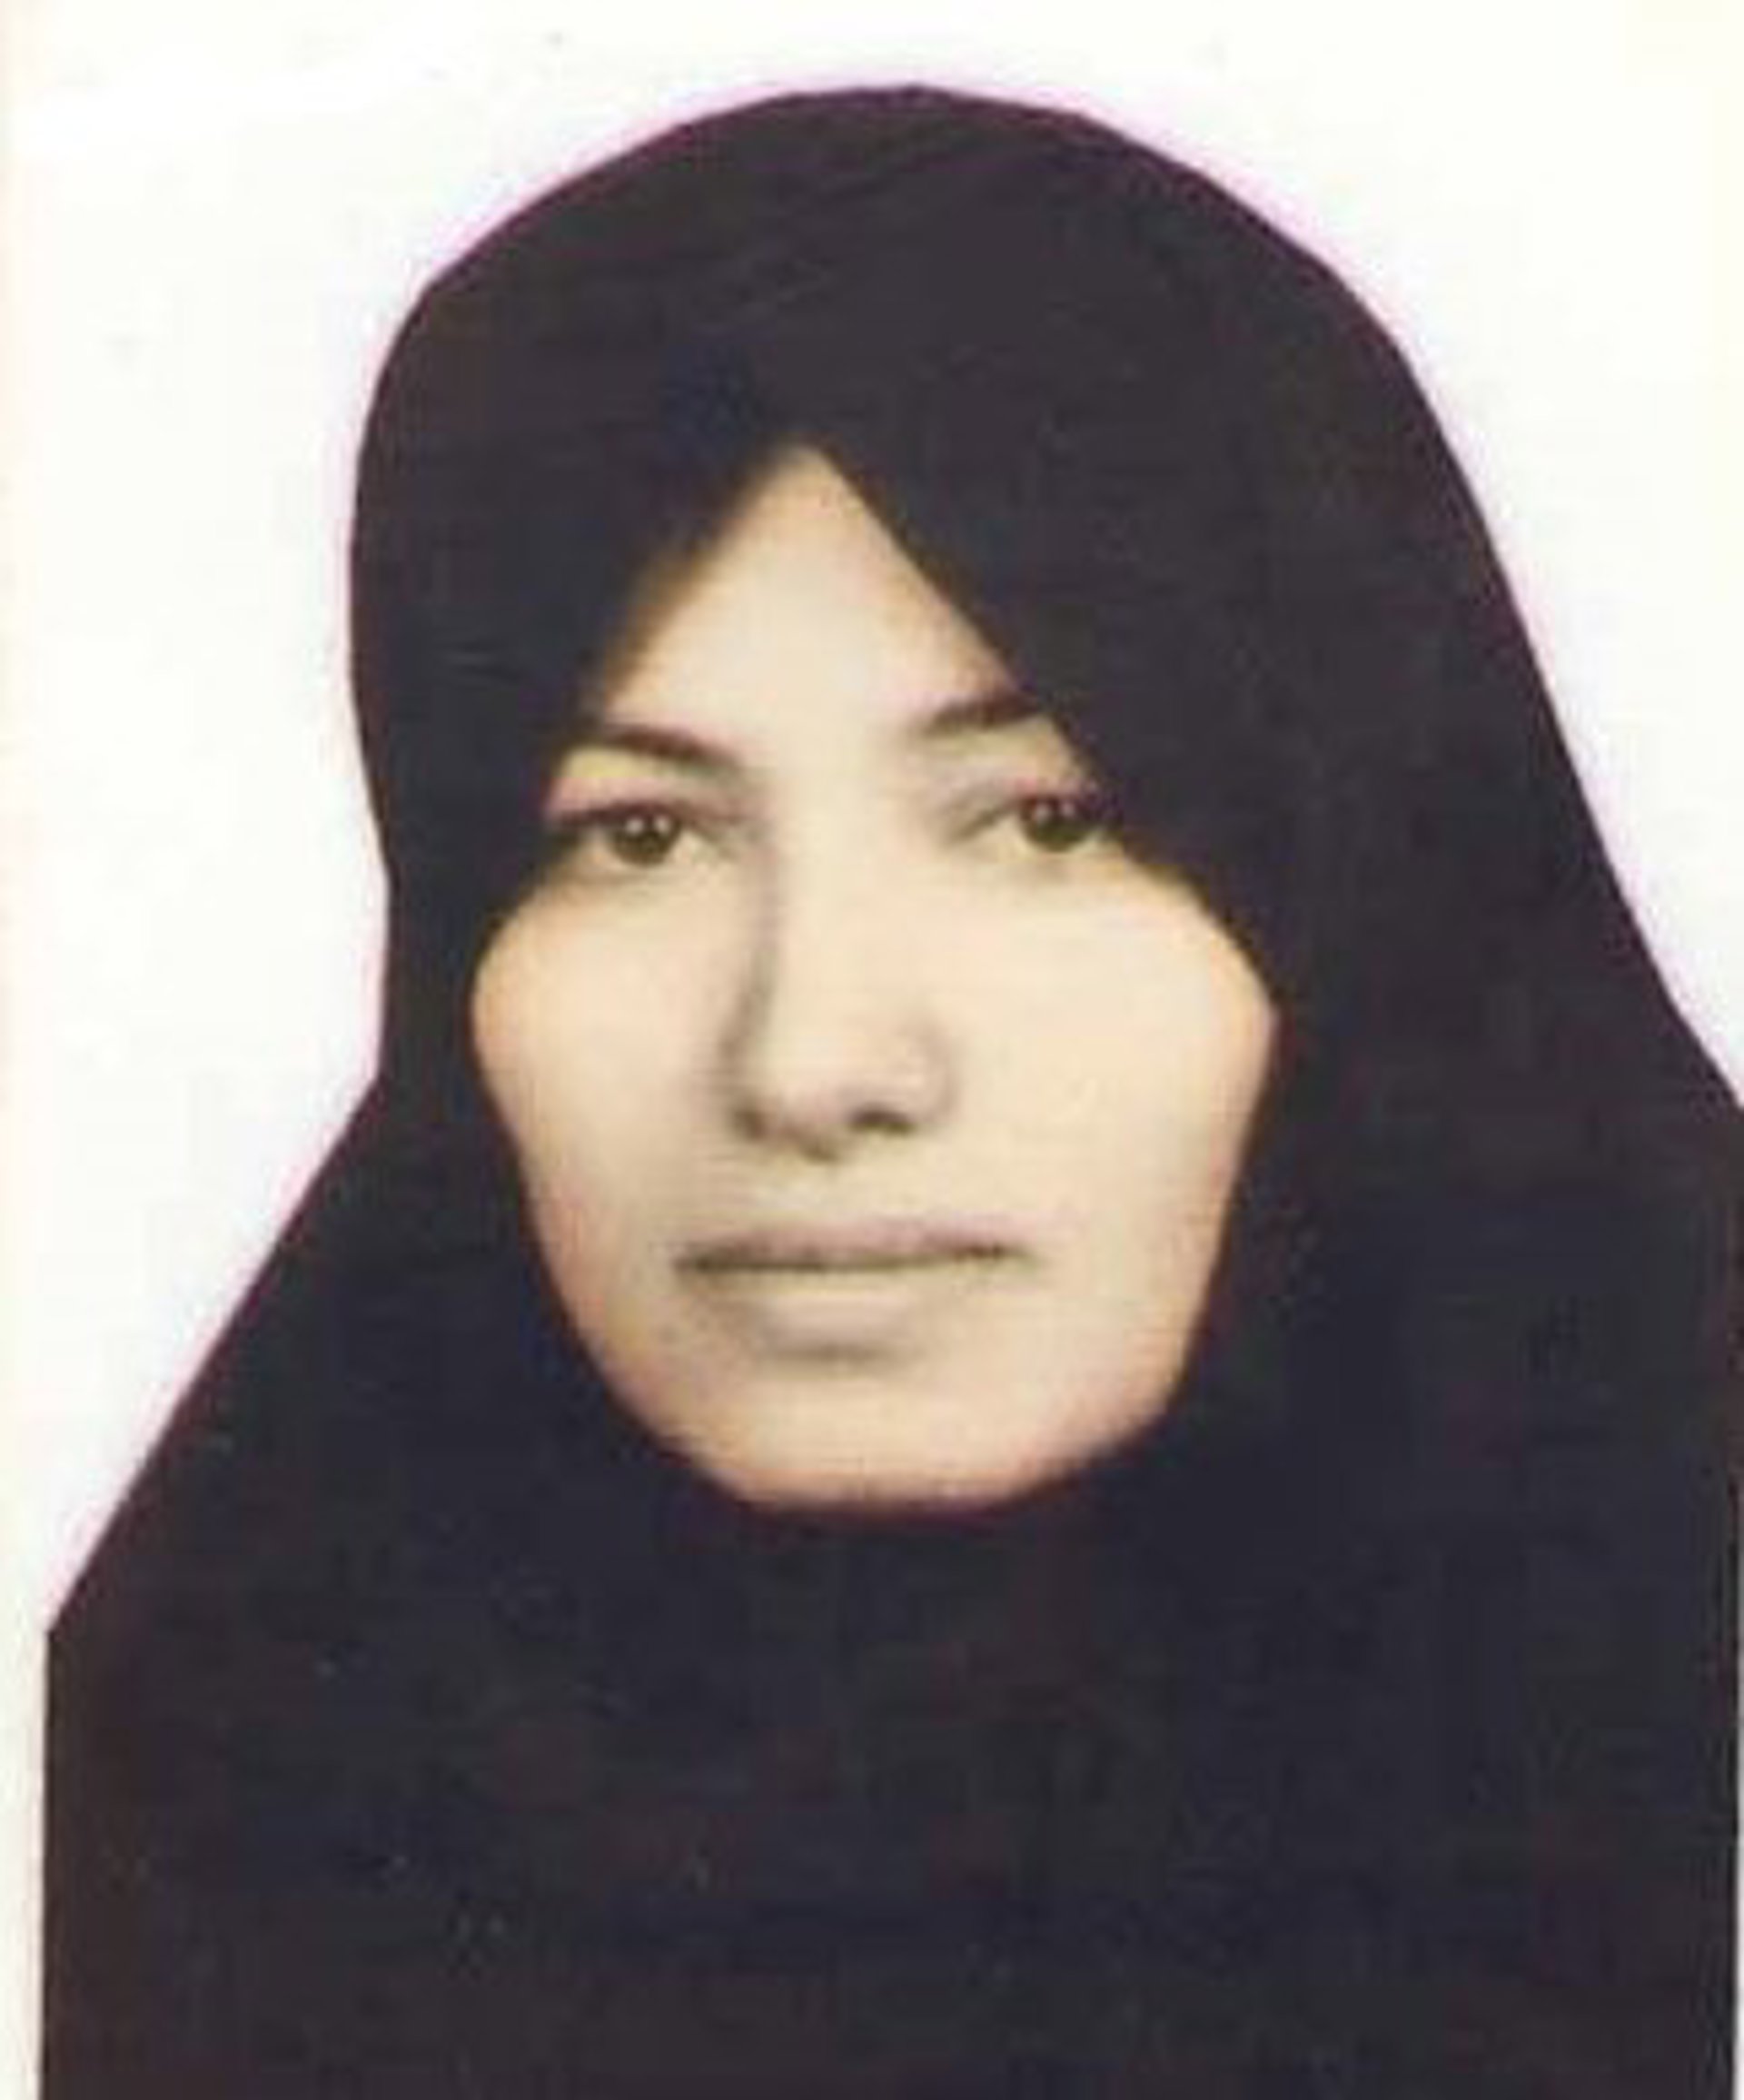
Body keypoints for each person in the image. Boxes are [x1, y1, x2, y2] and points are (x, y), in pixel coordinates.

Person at [44, 86, 1738, 2098]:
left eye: (1048, 818)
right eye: (638, 834)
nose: (813, 1060)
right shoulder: (184, 1793)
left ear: (1375, 884)